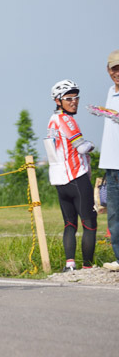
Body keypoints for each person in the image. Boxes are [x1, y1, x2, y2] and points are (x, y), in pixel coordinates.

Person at [46, 80, 97, 272]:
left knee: (69, 223)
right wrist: (92, 145)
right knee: (89, 222)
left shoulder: (52, 120)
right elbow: (82, 146)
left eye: (76, 97)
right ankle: (88, 267)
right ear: (58, 101)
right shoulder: (67, 120)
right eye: (69, 98)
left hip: (60, 180)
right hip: (76, 177)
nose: (74, 102)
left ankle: (70, 264)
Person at [101, 50, 119, 272]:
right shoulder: (109, 92)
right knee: (114, 214)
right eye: (114, 68)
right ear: (108, 70)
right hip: (110, 163)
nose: (118, 72)